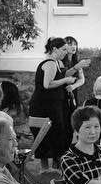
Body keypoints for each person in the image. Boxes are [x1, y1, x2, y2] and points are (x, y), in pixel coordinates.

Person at [28, 38, 75, 166]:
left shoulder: (56, 63)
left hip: (52, 105)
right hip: (44, 106)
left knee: (57, 133)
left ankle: (54, 166)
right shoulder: (50, 63)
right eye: (63, 49)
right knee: (47, 134)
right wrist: (66, 81)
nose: (66, 52)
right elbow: (47, 84)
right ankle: (46, 168)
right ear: (55, 49)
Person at [60, 37, 87, 107]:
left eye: (75, 44)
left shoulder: (76, 62)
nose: (73, 46)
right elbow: (64, 75)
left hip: (73, 92)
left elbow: (82, 79)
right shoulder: (60, 61)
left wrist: (74, 86)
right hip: (61, 93)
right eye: (70, 44)